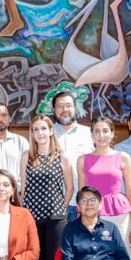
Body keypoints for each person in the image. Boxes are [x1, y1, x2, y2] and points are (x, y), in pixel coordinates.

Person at [19, 114, 72, 260]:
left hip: (56, 219)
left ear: (51, 131)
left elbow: (70, 188)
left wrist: (61, 208)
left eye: (43, 128)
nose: (40, 133)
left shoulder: (62, 157)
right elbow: (22, 189)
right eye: (35, 129)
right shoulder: (26, 157)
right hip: (33, 219)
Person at [78, 116, 131, 260]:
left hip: (120, 215)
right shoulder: (83, 160)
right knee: (98, 259)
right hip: (93, 215)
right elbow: (81, 195)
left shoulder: (123, 158)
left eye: (105, 131)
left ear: (112, 133)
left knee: (123, 258)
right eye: (96, 131)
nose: (101, 135)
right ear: (92, 134)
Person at [52, 90, 94, 222]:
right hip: (54, 203)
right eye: (60, 106)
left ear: (75, 108)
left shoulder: (89, 134)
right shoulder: (47, 134)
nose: (64, 109)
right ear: (54, 110)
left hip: (85, 203)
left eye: (68, 105)